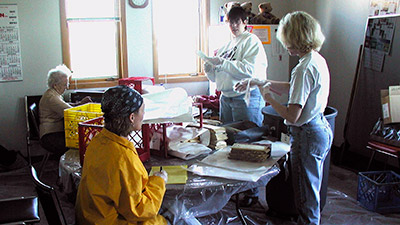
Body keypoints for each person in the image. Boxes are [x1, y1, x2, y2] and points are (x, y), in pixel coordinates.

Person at [235, 11, 332, 225]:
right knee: (311, 191)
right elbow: (295, 88)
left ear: (297, 37)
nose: (286, 45)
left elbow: (293, 116)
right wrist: (260, 81)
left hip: (307, 134)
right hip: (321, 129)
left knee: (306, 197)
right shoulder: (316, 60)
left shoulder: (303, 68)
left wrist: (268, 98)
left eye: (288, 39)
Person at [75, 85, 169, 225]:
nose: (144, 116)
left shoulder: (97, 141)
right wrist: (159, 181)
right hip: (113, 221)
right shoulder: (122, 157)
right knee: (172, 215)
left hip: (92, 217)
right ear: (132, 117)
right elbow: (138, 210)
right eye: (142, 111)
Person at [204, 6, 268, 127]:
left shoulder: (251, 41)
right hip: (226, 98)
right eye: (230, 22)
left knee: (247, 139)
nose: (233, 26)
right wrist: (209, 70)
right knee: (227, 139)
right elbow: (215, 78)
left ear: (245, 22)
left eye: (237, 22)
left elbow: (249, 71)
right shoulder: (226, 46)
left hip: (245, 98)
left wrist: (223, 63)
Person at [39, 64, 92, 157]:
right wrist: (83, 106)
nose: (67, 87)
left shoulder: (53, 94)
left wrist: (79, 103)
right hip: (50, 136)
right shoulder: (52, 98)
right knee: (80, 142)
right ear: (55, 85)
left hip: (54, 132)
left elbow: (65, 106)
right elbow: (70, 112)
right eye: (65, 84)